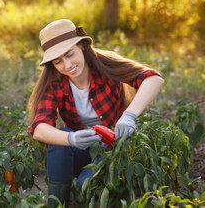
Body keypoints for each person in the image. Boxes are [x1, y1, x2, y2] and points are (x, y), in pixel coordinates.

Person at [26, 19, 164, 207]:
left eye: (70, 54)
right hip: (81, 149)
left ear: (82, 45)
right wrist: (72, 139)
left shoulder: (104, 65)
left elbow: (153, 79)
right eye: (58, 61)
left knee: (87, 184)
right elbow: (39, 129)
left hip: (111, 149)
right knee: (60, 139)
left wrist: (129, 116)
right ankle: (57, 204)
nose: (67, 65)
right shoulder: (54, 81)